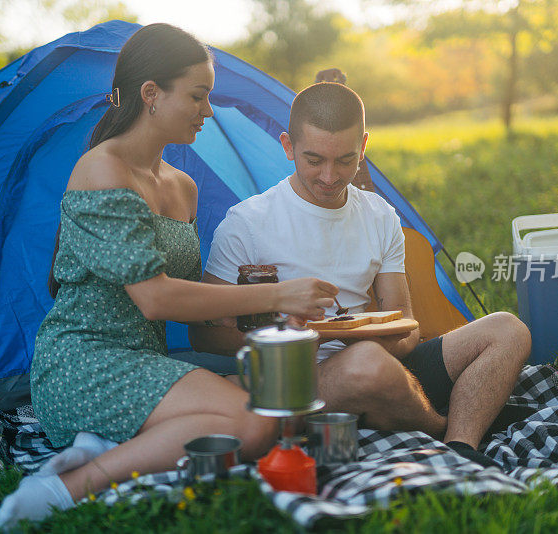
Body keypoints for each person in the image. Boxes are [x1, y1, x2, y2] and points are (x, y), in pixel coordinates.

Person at [0, 24, 337, 530]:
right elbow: (155, 299)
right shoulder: (100, 170)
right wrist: (282, 291)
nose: (208, 110)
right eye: (198, 96)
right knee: (252, 423)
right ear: (151, 94)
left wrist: (271, 329)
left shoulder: (184, 187)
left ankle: (109, 443)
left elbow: (194, 303)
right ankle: (62, 488)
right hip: (83, 364)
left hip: (146, 365)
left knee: (277, 411)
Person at [189, 82, 532, 467]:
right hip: (302, 378)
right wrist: (291, 341)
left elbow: (407, 326)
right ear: (287, 146)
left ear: (364, 147)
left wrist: (374, 343)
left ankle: (460, 445)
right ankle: (444, 426)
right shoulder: (247, 223)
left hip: (381, 363)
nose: (330, 177)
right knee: (365, 366)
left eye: (345, 160)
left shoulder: (379, 214)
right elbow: (203, 334)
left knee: (507, 328)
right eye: (314, 160)